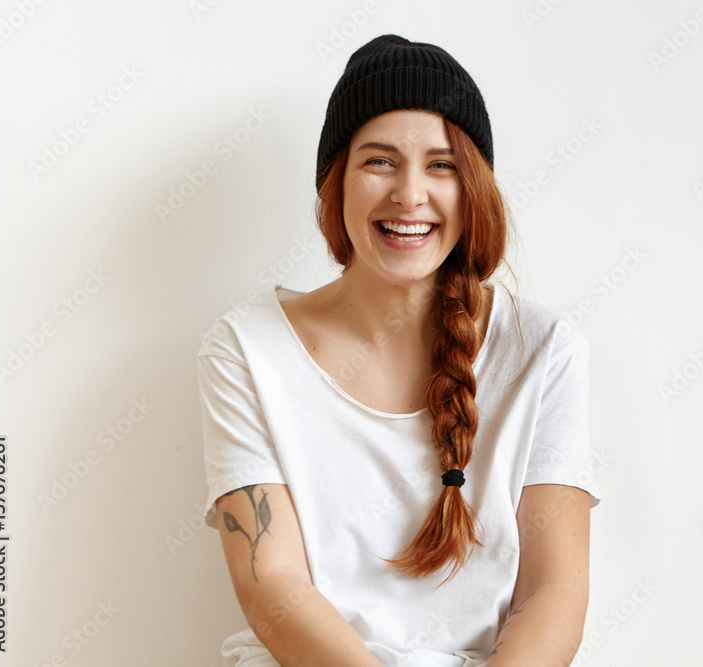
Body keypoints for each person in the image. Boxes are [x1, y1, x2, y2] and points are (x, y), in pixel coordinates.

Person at [197, 34, 601, 667]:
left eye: (442, 165)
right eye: (379, 161)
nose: (410, 194)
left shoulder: (545, 350)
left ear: (474, 189)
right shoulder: (246, 350)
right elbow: (272, 584)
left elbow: (555, 591)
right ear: (336, 184)